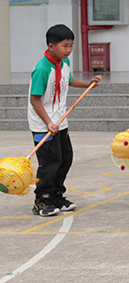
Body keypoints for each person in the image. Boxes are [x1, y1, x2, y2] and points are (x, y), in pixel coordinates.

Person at [28, 24, 102, 216]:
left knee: (65, 159)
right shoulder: (42, 69)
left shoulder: (63, 64)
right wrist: (47, 123)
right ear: (51, 46)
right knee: (49, 162)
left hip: (60, 121)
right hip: (43, 124)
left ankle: (56, 194)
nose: (69, 50)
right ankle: (42, 199)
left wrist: (88, 84)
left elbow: (68, 80)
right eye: (65, 46)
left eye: (71, 46)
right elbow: (35, 99)